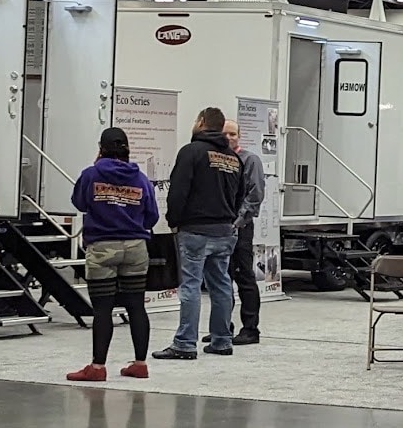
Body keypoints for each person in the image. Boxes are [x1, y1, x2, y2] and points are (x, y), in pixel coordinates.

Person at [66, 128, 158, 382]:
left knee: (102, 309)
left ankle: (97, 367)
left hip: (102, 247)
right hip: (136, 247)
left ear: (101, 148)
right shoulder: (140, 179)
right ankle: (140, 364)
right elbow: (152, 216)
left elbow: (79, 203)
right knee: (136, 305)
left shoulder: (91, 174)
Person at [152, 107, 245, 360]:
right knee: (222, 285)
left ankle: (184, 343)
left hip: (195, 230)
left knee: (191, 286)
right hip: (225, 231)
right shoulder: (233, 159)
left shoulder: (191, 152)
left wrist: (174, 220)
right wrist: (229, 218)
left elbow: (178, 191)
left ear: (202, 123)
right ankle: (222, 340)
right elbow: (240, 195)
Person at [203, 119, 265, 346]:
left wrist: (238, 222)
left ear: (239, 136)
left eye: (232, 134)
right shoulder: (216, 161)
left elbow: (255, 195)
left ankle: (250, 329)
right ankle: (222, 327)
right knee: (220, 278)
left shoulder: (250, 160)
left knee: (244, 277)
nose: (229, 138)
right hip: (219, 227)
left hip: (240, 227)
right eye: (224, 134)